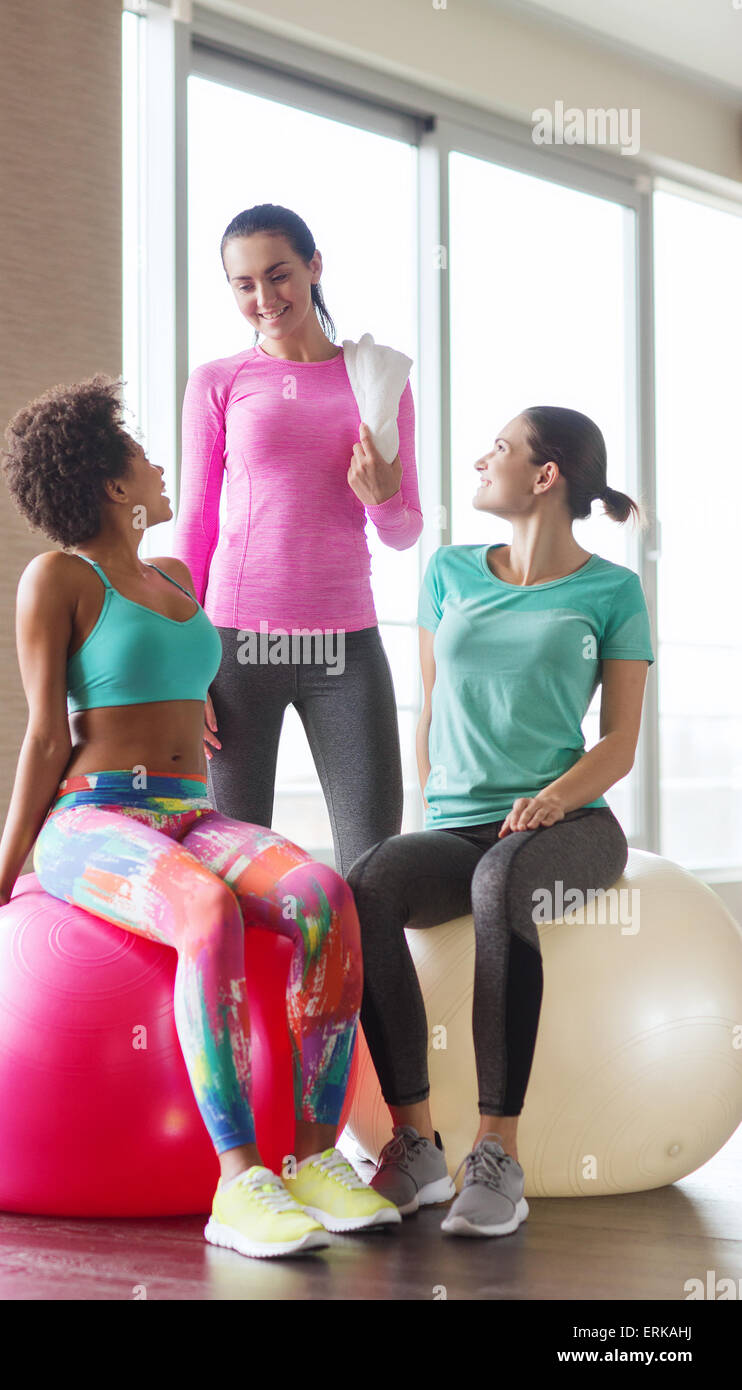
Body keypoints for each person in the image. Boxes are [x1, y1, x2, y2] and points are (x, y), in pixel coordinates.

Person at [0, 373, 400, 1259]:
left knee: (325, 893)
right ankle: (238, 1183)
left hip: (191, 812)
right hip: (92, 820)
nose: (159, 466)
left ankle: (309, 1161)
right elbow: (41, 737)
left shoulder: (176, 573)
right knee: (207, 912)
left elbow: (192, 678)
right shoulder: (57, 578)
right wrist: (0, 877)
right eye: (141, 456)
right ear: (112, 485)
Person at [346, 406, 654, 1237]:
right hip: (462, 822)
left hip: (572, 824)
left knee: (500, 878)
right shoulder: (448, 572)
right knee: (367, 882)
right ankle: (414, 1145)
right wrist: (430, 807)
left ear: (545, 476)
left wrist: (555, 798)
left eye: (501, 448)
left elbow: (620, 741)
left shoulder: (612, 592)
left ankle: (497, 1155)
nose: (483, 459)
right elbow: (431, 705)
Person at [173, 203, 422, 877]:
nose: (264, 297)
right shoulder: (218, 383)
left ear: (314, 267)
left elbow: (404, 532)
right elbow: (193, 528)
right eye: (243, 283)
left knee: (374, 869)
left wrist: (382, 497)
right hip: (235, 646)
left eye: (278, 274)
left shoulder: (378, 380)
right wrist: (186, 663)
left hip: (346, 645)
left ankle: (364, 988)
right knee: (232, 866)